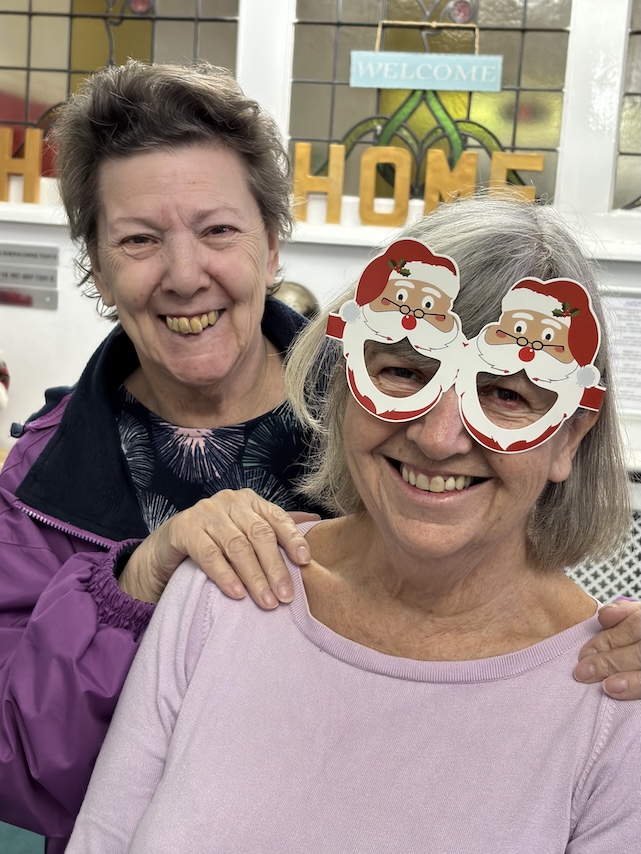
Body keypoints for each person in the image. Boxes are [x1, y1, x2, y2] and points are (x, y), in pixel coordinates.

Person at [0, 60, 638, 850]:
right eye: (136, 239)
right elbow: (21, 765)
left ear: (273, 245)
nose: (184, 273)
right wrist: (131, 584)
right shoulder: (46, 488)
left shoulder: (604, 699)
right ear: (96, 264)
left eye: (218, 229)